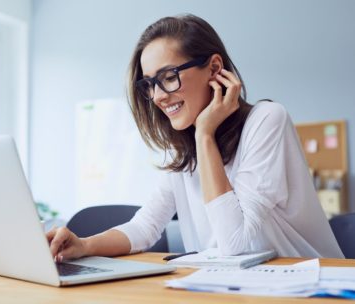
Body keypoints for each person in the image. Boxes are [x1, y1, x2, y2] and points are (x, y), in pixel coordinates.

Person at [46, 14, 344, 261]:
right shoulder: (185, 153)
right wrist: (83, 245)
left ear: (214, 68)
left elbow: (235, 244)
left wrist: (205, 134)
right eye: (150, 84)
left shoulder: (267, 120)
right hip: (232, 290)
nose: (159, 96)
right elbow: (145, 226)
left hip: (312, 291)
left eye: (168, 76)